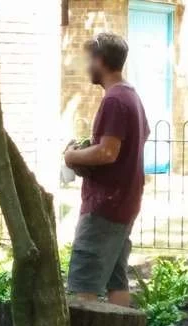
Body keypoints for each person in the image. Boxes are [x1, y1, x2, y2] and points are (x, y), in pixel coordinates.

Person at [63, 32, 150, 307]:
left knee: (83, 286)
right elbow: (126, 145)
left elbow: (107, 152)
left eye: (90, 60)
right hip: (124, 202)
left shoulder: (114, 100)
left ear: (100, 60)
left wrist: (72, 156)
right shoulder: (131, 96)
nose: (87, 66)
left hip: (105, 207)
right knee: (116, 281)